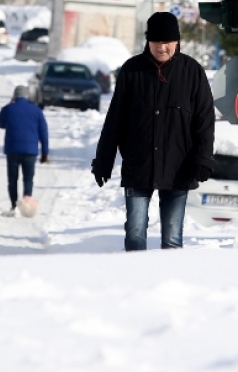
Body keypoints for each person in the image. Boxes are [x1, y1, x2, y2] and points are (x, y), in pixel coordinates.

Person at [91, 12, 215, 251]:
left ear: (177, 41)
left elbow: (204, 121)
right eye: (157, 41)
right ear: (148, 41)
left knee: (172, 239)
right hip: (139, 166)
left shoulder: (192, 72)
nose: (162, 47)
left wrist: (203, 159)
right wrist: (103, 162)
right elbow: (115, 120)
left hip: (179, 167)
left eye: (167, 41)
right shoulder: (132, 71)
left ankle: (168, 286)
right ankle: (137, 284)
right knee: (135, 236)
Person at [0, 85, 49, 217]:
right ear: (27, 96)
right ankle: (26, 206)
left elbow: (0, 123)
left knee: (12, 180)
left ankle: (14, 206)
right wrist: (45, 153)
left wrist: (9, 104)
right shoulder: (36, 110)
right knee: (28, 179)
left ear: (14, 96)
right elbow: (44, 133)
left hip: (12, 150)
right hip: (30, 151)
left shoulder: (8, 109)